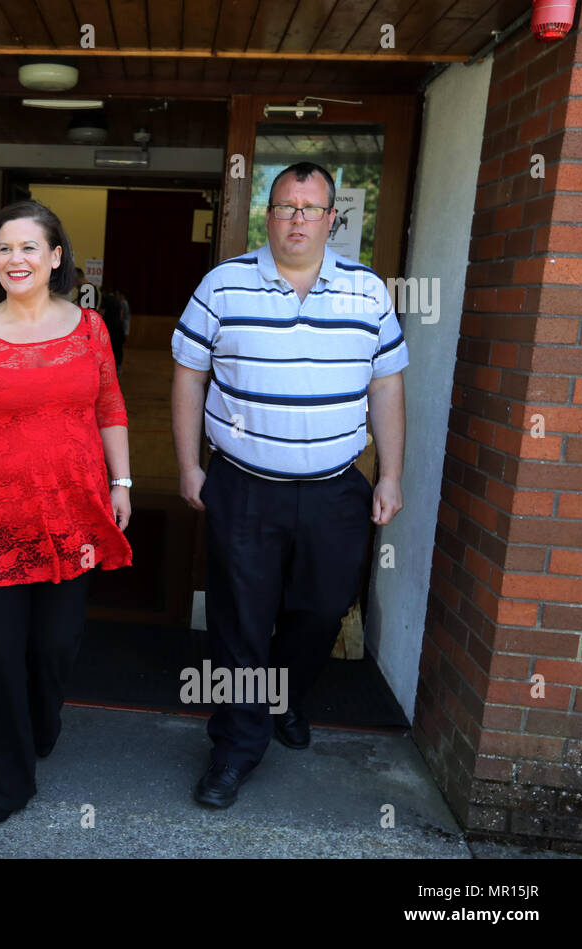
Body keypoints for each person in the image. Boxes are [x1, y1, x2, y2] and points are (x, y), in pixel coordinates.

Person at [170, 161, 407, 808]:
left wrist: (390, 473)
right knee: (240, 621)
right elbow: (189, 374)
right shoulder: (224, 285)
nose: (297, 218)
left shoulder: (369, 293)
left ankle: (286, 698)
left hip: (336, 489)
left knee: (322, 609)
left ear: (333, 219)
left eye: (310, 208)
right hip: (243, 486)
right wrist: (190, 465)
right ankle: (236, 747)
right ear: (267, 216)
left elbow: (386, 384)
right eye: (284, 206)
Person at [0, 200, 133, 824]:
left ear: (54, 258)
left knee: (56, 646)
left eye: (27, 248)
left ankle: (42, 721)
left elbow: (110, 407)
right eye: (3, 249)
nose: (13, 259)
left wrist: (122, 481)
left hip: (73, 517)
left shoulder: (90, 329)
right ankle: (7, 774)